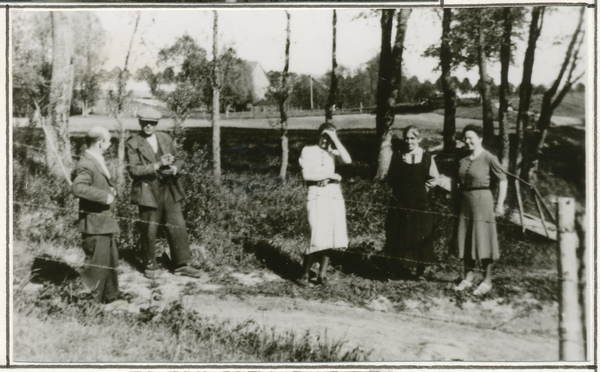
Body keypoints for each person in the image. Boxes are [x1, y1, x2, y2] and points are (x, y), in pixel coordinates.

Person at [126, 107, 202, 279]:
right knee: (149, 228)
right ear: (140, 123)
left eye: (151, 123)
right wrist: (158, 165)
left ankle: (182, 264)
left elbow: (179, 159)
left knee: (178, 225)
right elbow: (133, 171)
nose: (148, 126)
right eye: (144, 123)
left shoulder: (165, 138)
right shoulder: (133, 142)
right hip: (147, 190)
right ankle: (150, 265)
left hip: (169, 188)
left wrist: (174, 168)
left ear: (156, 124)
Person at [454, 125, 507, 295]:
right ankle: (467, 278)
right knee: (466, 238)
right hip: (465, 203)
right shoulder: (463, 159)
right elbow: (458, 180)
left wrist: (499, 204)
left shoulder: (489, 158)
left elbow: (503, 180)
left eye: (471, 138)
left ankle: (487, 281)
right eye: (465, 137)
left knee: (484, 239)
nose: (467, 141)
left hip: (483, 203)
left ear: (480, 138)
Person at [298, 123, 352, 286]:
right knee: (316, 233)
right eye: (323, 135)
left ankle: (322, 275)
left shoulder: (333, 152)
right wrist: (332, 175)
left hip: (333, 194)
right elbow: (307, 175)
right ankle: (304, 274)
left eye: (329, 137)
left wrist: (335, 138)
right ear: (318, 135)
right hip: (317, 194)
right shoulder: (308, 150)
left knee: (332, 235)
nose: (325, 140)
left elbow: (348, 160)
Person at [72, 126, 121, 303]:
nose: (109, 145)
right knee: (96, 264)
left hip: (104, 220)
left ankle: (109, 296)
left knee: (110, 261)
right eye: (108, 142)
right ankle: (87, 303)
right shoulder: (87, 163)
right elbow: (78, 187)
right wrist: (104, 196)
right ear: (100, 143)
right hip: (95, 222)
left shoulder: (94, 159)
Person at [384, 126, 439, 279]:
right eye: (406, 138)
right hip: (400, 202)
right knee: (398, 233)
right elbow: (390, 178)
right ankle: (396, 268)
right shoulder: (398, 155)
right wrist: (401, 191)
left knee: (420, 234)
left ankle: (420, 271)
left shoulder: (427, 157)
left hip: (419, 203)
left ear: (419, 139)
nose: (409, 142)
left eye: (412, 138)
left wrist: (422, 190)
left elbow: (434, 178)